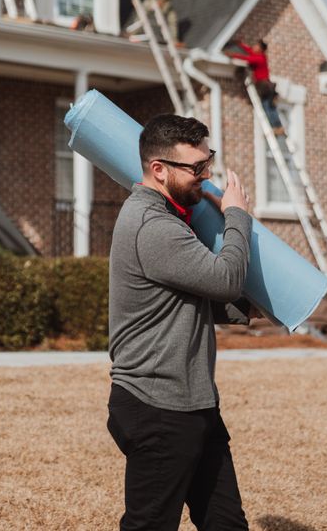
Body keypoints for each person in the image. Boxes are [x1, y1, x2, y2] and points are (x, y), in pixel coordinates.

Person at [108, 113, 252, 530]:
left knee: (226, 523)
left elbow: (181, 299)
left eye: (209, 162)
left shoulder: (169, 218)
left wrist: (246, 309)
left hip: (193, 401)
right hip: (158, 408)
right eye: (197, 168)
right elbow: (224, 279)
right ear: (159, 169)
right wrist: (236, 215)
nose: (206, 177)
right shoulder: (152, 226)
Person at [227, 39, 284, 135]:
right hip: (265, 86)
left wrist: (233, 55)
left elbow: (247, 59)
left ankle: (276, 127)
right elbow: (249, 50)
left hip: (265, 86)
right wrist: (240, 44)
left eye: (256, 46)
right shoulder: (257, 55)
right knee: (269, 106)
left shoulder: (260, 58)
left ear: (260, 49)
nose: (254, 47)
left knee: (267, 107)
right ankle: (277, 127)